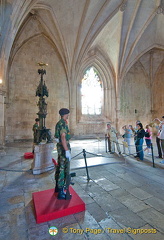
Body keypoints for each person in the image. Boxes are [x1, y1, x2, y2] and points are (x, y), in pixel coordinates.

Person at [54, 108, 71, 199]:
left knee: (59, 165)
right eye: (68, 114)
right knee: (63, 168)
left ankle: (57, 187)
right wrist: (67, 150)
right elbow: (63, 137)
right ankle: (61, 191)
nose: (68, 115)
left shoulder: (58, 123)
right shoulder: (63, 123)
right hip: (63, 148)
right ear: (65, 114)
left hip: (60, 147)